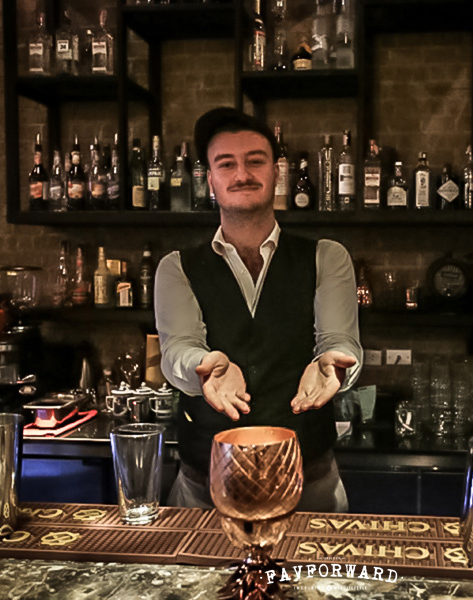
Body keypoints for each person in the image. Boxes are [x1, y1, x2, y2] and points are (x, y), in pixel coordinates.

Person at [155, 107, 362, 513]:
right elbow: (178, 347)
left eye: (255, 161)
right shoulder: (176, 267)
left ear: (275, 172)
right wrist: (204, 365)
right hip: (204, 492)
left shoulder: (327, 257)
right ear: (210, 180)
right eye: (226, 164)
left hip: (310, 488)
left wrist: (335, 363)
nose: (242, 174)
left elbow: (340, 340)